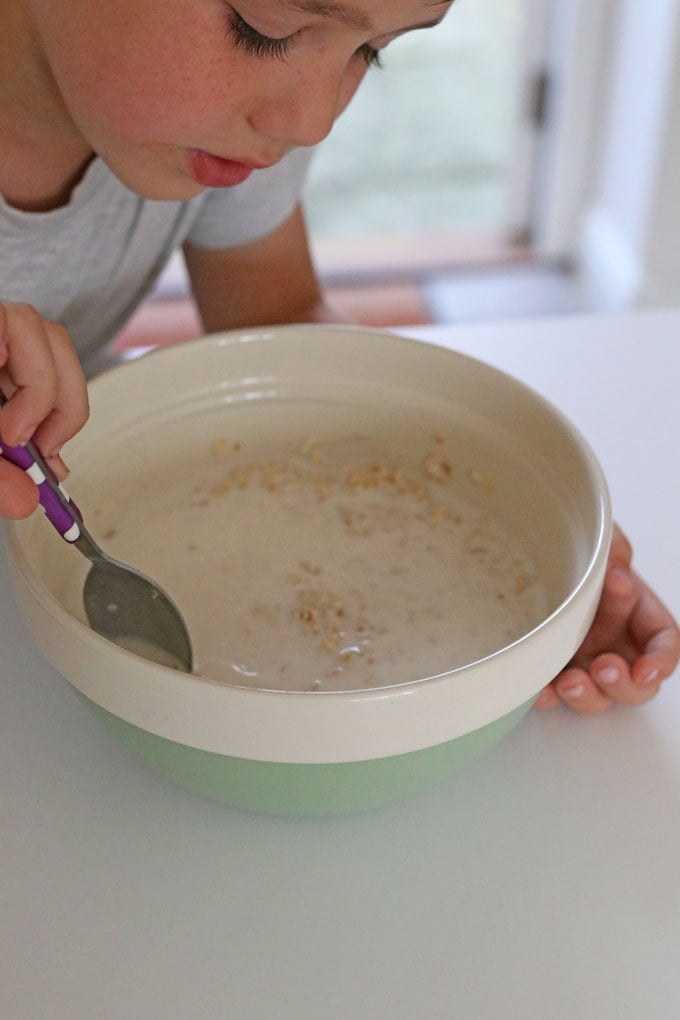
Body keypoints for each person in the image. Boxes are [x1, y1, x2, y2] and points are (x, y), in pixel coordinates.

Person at [1, 0, 678, 713]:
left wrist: (541, 566)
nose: (314, 121)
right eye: (264, 32)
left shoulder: (221, 125)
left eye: (371, 51)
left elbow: (279, 321)